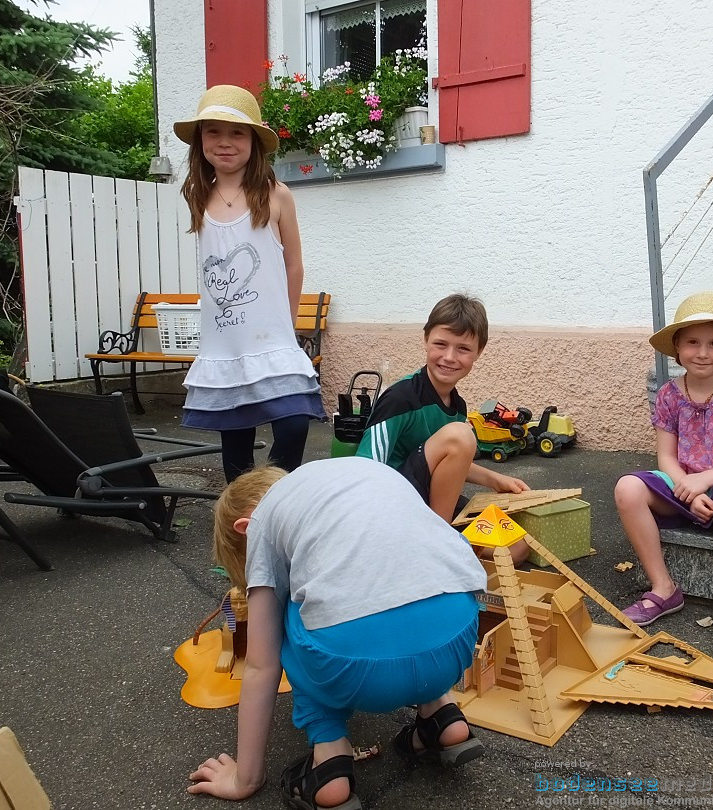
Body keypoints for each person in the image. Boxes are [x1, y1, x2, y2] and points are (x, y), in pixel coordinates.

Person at [188, 457, 487, 807]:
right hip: (460, 634)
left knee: (284, 614)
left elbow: (261, 666)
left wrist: (244, 778)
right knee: (406, 587)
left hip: (355, 665)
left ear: (245, 527)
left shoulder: (263, 522)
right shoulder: (359, 473)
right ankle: (442, 717)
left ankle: (328, 762)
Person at [173, 85, 324, 483]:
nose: (225, 142)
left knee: (293, 423)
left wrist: (287, 327)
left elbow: (294, 265)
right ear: (200, 140)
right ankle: (241, 518)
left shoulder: (277, 196)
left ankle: (274, 496)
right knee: (235, 441)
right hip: (226, 345)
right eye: (214, 132)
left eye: (237, 133)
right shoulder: (197, 195)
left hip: (274, 339)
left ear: (254, 142)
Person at [615, 291, 713, 651]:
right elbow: (666, 457)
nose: (702, 352)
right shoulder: (670, 393)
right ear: (676, 348)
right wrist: (689, 486)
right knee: (627, 487)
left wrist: (706, 480)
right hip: (685, 489)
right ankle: (663, 588)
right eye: (693, 342)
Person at [356, 293, 531, 563]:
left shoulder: (457, 405)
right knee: (462, 435)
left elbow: (443, 457)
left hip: (426, 502)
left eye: (463, 348)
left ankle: (435, 560)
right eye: (440, 344)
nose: (449, 357)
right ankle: (437, 548)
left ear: (479, 352)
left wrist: (495, 480)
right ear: (426, 340)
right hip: (392, 506)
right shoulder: (400, 398)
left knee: (516, 547)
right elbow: (365, 470)